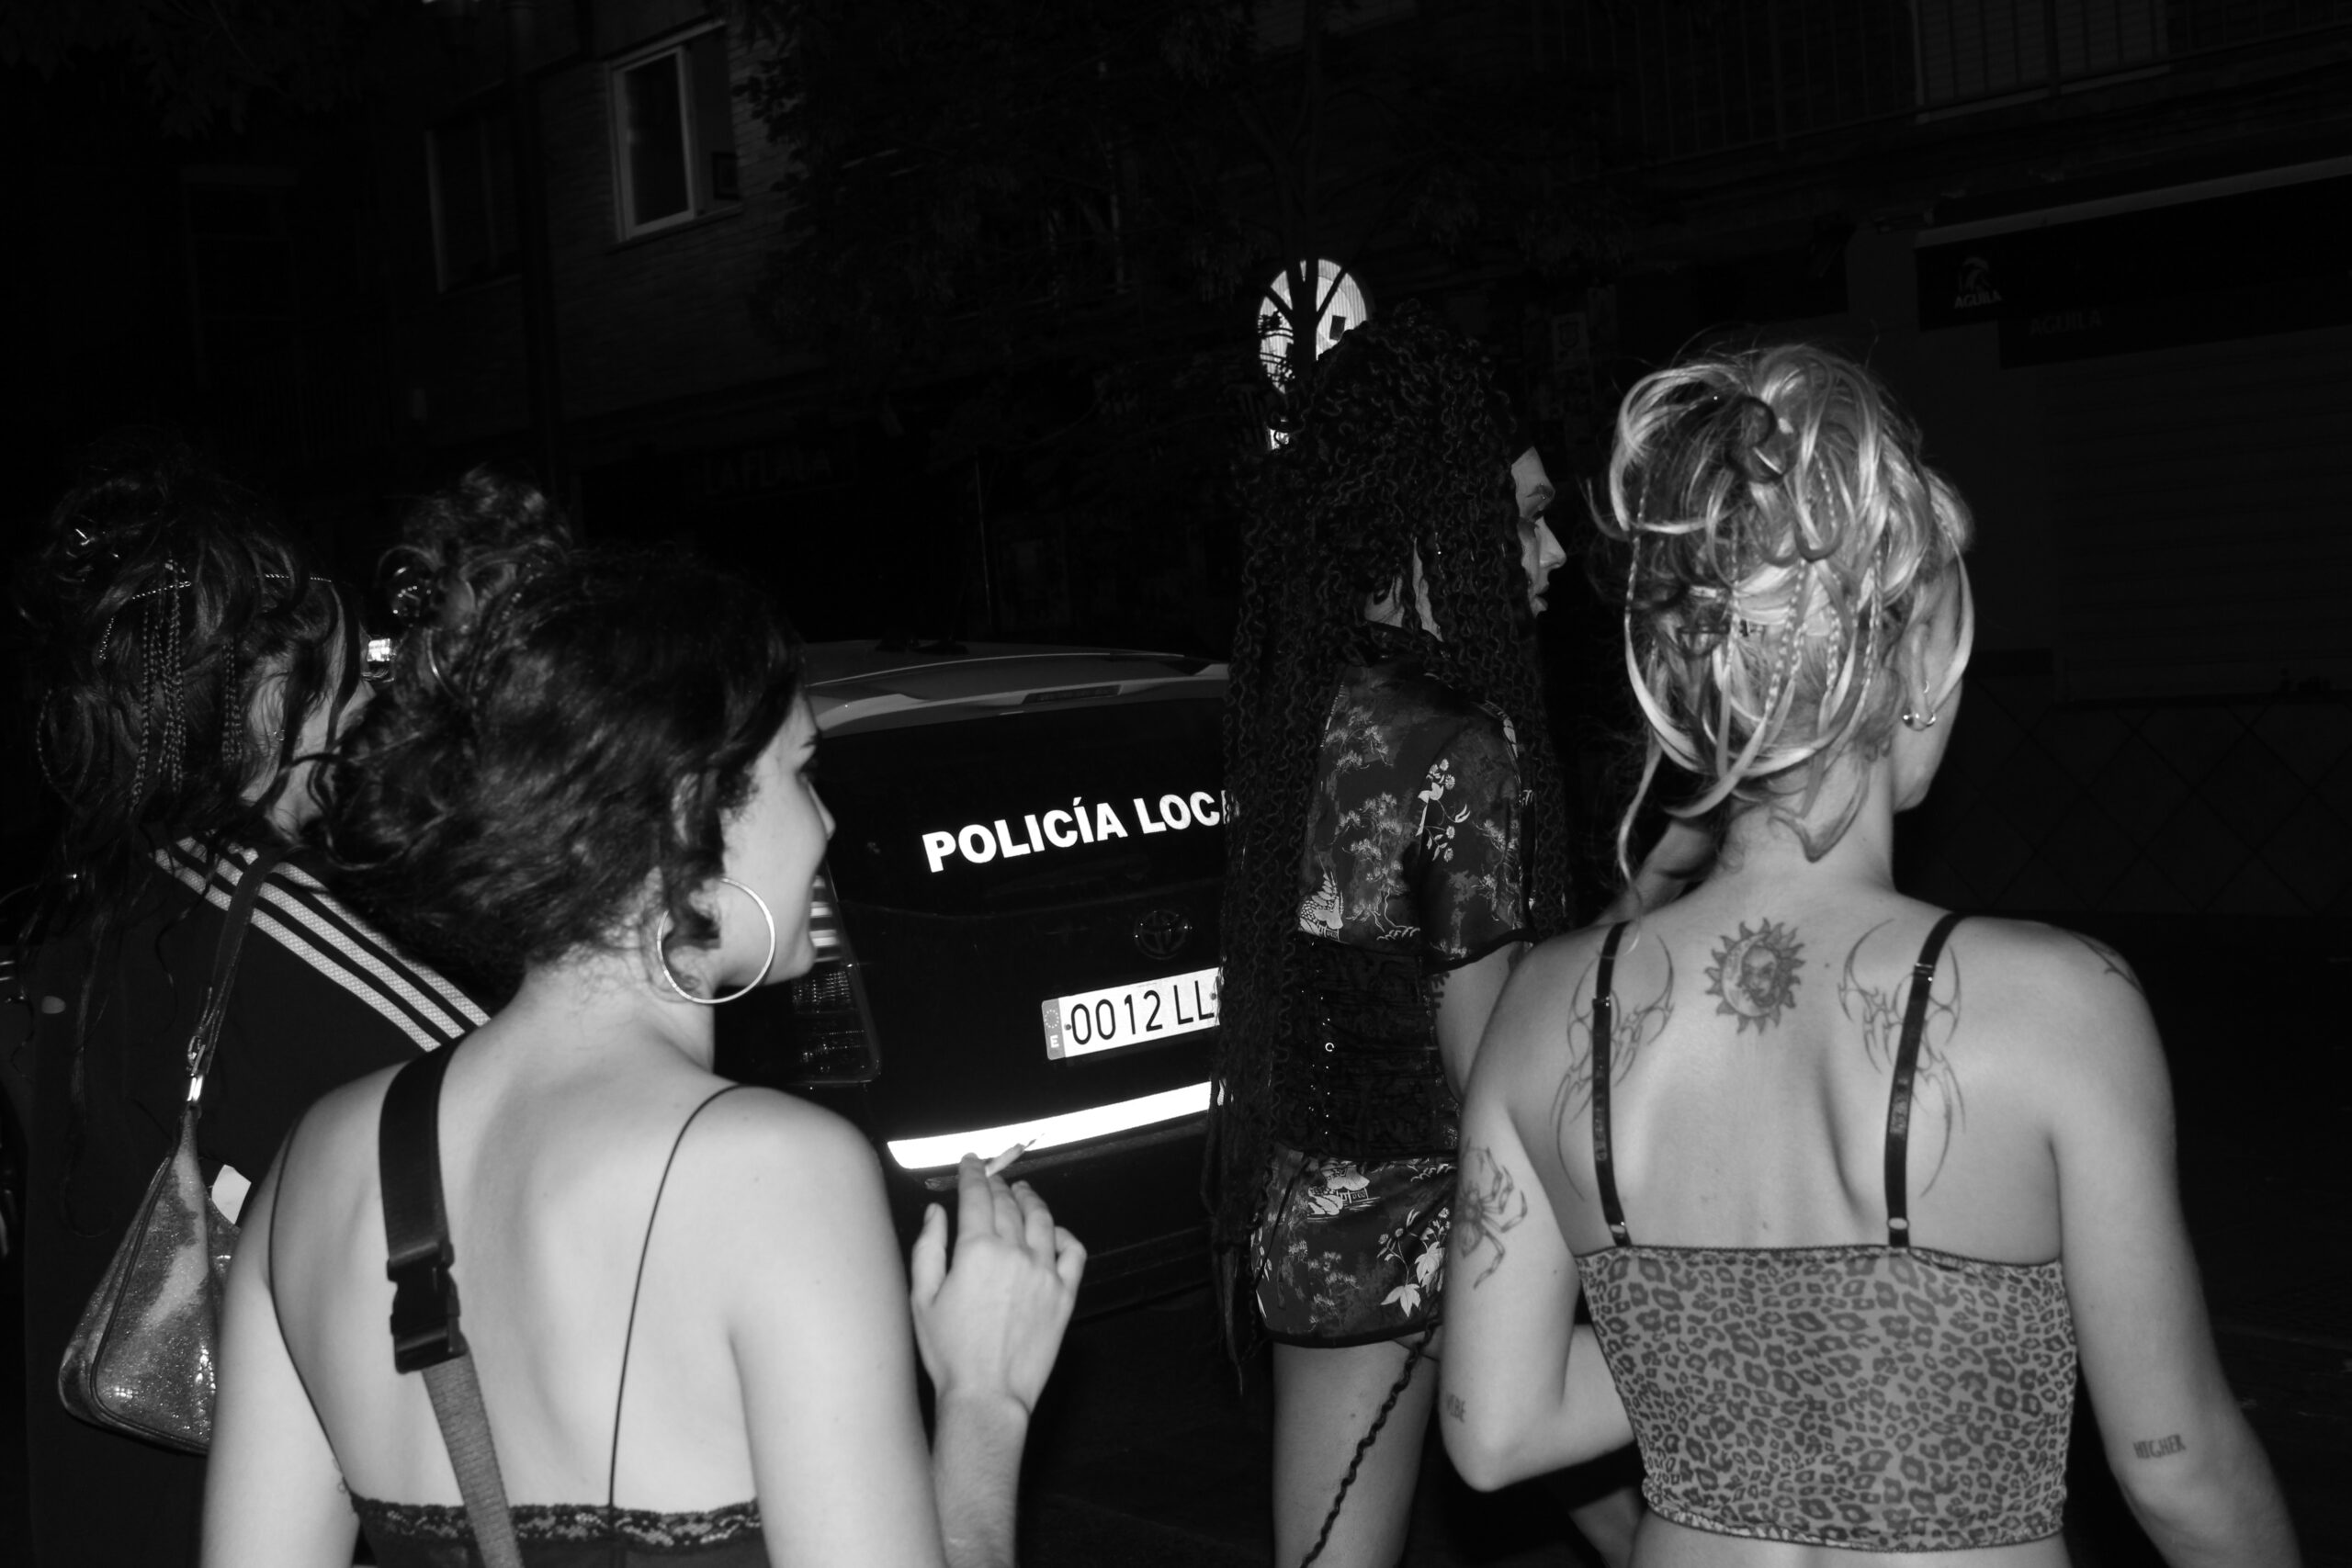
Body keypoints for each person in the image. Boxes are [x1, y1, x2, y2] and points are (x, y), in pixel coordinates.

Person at [1439, 344, 2300, 1563]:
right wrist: (1868, 1333)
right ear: (1918, 659)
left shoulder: (1541, 1006)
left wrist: (1726, 1334)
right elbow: (2177, 1471)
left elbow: (1493, 1428)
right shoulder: (2064, 1009)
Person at [201, 470, 1084, 1567]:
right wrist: (987, 1401)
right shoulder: (779, 1176)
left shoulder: (313, 1168)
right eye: (802, 771)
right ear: (692, 811)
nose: (826, 823)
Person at [10, 439, 486, 1568]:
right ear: (267, 698)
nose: (371, 704)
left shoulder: (88, 909)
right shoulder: (276, 921)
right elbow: (539, 1097)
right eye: (349, 681)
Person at [1207, 305, 1583, 1568]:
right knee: (1699, 1491)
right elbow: (1490, 1065)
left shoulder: (1307, 709)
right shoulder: (1460, 741)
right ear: (1438, 523)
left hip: (1317, 1220)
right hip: (1448, 1223)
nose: (1553, 550)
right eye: (1525, 517)